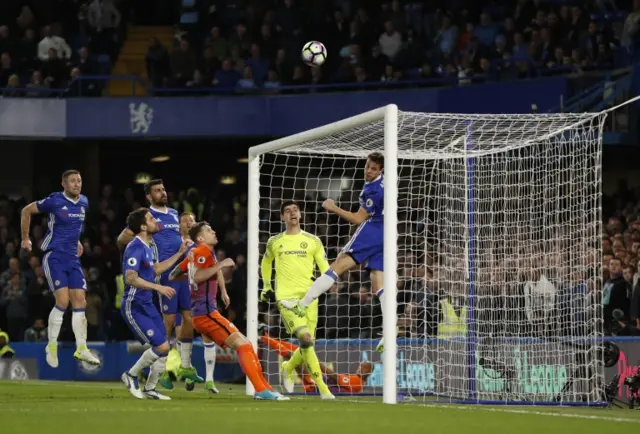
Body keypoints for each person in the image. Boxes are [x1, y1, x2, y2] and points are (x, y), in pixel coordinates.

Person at [169, 221, 288, 401]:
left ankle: (265, 388)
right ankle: (262, 391)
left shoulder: (192, 254)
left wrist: (201, 281)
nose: (214, 231)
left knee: (246, 344)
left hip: (201, 315)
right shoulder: (202, 251)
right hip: (207, 314)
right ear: (200, 238)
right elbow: (197, 275)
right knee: (245, 346)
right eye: (209, 231)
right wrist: (221, 264)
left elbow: (173, 275)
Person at [282, 153, 388, 352]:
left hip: (373, 230)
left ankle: (302, 305)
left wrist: (333, 207)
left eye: (373, 168)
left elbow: (358, 219)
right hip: (387, 235)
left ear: (381, 170)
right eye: (367, 166)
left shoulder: (374, 189)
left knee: (337, 266)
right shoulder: (382, 184)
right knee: (378, 284)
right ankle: (390, 331)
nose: (368, 170)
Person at [117, 179, 202, 388]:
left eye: (163, 189)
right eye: (157, 190)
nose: (162, 192)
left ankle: (185, 365)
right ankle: (160, 372)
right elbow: (122, 238)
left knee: (190, 319)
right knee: (168, 325)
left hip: (182, 273)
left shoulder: (174, 214)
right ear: (149, 196)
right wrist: (142, 254)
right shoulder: (148, 218)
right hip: (165, 277)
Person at [20, 170, 100, 368]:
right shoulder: (54, 200)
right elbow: (26, 211)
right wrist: (25, 238)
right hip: (54, 255)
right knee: (63, 301)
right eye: (72, 181)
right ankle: (52, 345)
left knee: (80, 300)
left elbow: (74, 226)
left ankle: (81, 348)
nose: (77, 184)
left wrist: (78, 242)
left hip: (72, 257)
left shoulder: (84, 202)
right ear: (63, 184)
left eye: (79, 180)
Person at [260, 200, 334, 399]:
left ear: (300, 215)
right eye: (287, 211)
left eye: (295, 210)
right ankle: (324, 389)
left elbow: (326, 269)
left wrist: (331, 283)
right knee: (305, 339)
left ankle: (288, 366)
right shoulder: (275, 241)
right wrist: (267, 286)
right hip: (286, 299)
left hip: (310, 299)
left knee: (307, 345)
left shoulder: (313, 241)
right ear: (283, 217)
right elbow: (266, 262)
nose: (292, 213)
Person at [120, 207, 189, 400]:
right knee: (161, 346)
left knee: (165, 345)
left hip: (147, 305)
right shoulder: (134, 247)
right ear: (143, 226)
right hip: (134, 306)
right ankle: (131, 374)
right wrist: (158, 288)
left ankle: (150, 388)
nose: (155, 220)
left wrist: (180, 253)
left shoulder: (149, 246)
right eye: (151, 218)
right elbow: (130, 278)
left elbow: (156, 269)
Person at [177, 211, 223, 394]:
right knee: (178, 328)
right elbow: (175, 269)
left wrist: (224, 292)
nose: (188, 222)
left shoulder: (203, 248)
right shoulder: (176, 242)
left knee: (204, 333)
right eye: (184, 220)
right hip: (182, 289)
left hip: (202, 293)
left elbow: (215, 269)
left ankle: (208, 379)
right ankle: (183, 368)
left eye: (191, 220)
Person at [260, 330, 373, 393]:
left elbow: (334, 376)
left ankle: (266, 339)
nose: (359, 368)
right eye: (360, 366)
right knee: (297, 350)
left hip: (315, 385)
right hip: (317, 382)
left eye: (363, 367)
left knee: (294, 354)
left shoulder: (357, 382)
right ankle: (268, 338)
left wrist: (316, 363)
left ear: (369, 372)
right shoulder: (355, 379)